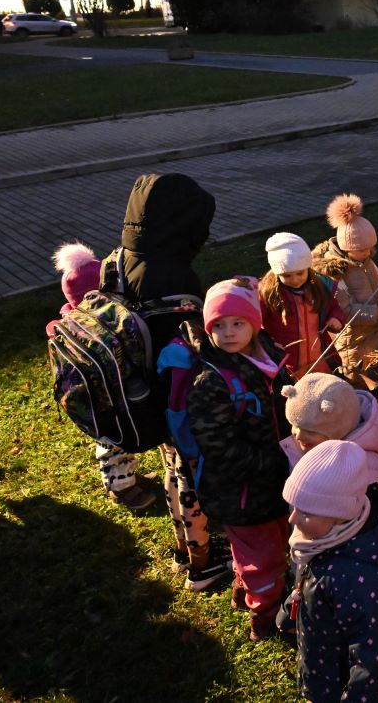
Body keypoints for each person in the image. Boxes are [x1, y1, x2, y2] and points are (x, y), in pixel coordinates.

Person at [102, 172, 230, 588]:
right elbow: (192, 347)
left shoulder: (117, 257)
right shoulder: (172, 278)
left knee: (173, 471)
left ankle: (183, 547)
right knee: (191, 475)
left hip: (140, 391)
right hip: (176, 396)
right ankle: (203, 561)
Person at [184, 277, 294, 641]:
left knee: (272, 542)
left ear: (255, 324)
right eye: (219, 325)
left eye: (238, 323)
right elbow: (220, 448)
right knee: (263, 558)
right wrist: (275, 464)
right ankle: (264, 618)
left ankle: (242, 588)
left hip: (276, 480)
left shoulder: (268, 356)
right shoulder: (209, 381)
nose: (229, 333)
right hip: (242, 491)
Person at [282, 441, 378, 703]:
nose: (292, 519)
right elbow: (307, 580)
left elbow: (372, 657)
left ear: (340, 513)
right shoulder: (323, 538)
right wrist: (290, 611)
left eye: (305, 513)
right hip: (321, 657)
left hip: (338, 680)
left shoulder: (361, 580)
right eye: (293, 506)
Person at [54, 241, 154, 509]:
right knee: (112, 444)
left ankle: (126, 475)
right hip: (98, 400)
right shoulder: (84, 328)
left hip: (108, 392)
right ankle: (120, 487)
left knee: (124, 436)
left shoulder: (73, 321)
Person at [312, 194, 378, 388]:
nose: (368, 253)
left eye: (370, 248)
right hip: (355, 340)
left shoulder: (367, 261)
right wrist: (375, 312)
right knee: (362, 377)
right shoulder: (337, 274)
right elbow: (345, 310)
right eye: (362, 250)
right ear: (347, 247)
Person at [279, 371, 378, 493]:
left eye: (311, 432)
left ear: (339, 429)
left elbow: (370, 508)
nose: (298, 436)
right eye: (295, 425)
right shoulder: (309, 447)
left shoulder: (365, 468)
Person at [258, 233, 345, 381]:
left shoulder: (318, 288)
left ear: (307, 268)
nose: (295, 279)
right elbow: (256, 324)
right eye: (287, 275)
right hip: (288, 364)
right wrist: (268, 344)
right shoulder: (269, 294)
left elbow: (333, 306)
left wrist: (335, 318)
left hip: (320, 357)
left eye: (300, 273)